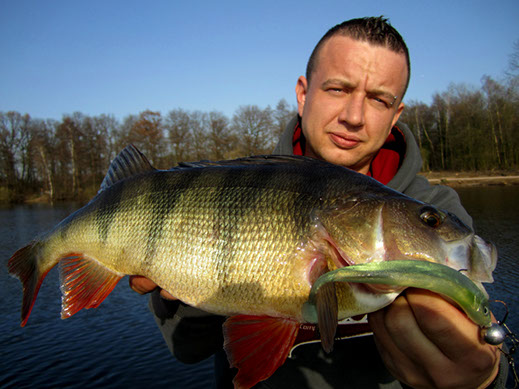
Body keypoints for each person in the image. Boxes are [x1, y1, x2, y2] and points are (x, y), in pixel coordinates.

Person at [130, 17, 507, 388]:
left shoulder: (435, 209)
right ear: (303, 93)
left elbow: (486, 346)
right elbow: (189, 350)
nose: (353, 117)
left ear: (396, 115)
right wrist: (190, 295)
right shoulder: (233, 190)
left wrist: (485, 378)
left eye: (378, 99)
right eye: (338, 89)